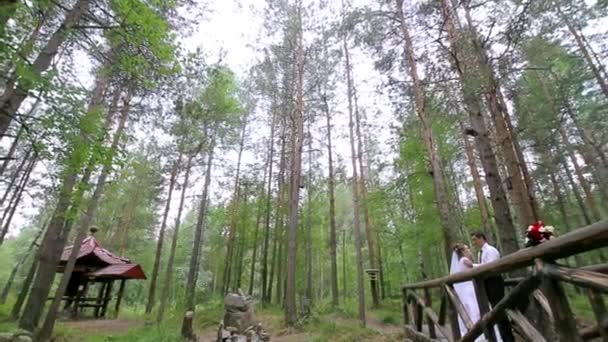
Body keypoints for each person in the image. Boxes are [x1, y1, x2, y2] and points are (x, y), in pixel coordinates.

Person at [471, 231, 514, 342]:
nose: (474, 242)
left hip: (494, 282)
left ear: (481, 238)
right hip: (487, 283)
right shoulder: (480, 252)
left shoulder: (491, 250)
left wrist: (473, 266)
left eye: (475, 239)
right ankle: (498, 337)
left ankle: (508, 339)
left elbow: (491, 267)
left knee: (499, 309)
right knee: (493, 310)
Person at [450, 244, 483, 341]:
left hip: (467, 288)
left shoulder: (461, 261)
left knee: (472, 309)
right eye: (467, 249)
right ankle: (477, 334)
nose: (469, 250)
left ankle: (472, 332)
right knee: (474, 309)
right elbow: (474, 267)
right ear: (463, 252)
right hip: (469, 288)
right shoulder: (464, 260)